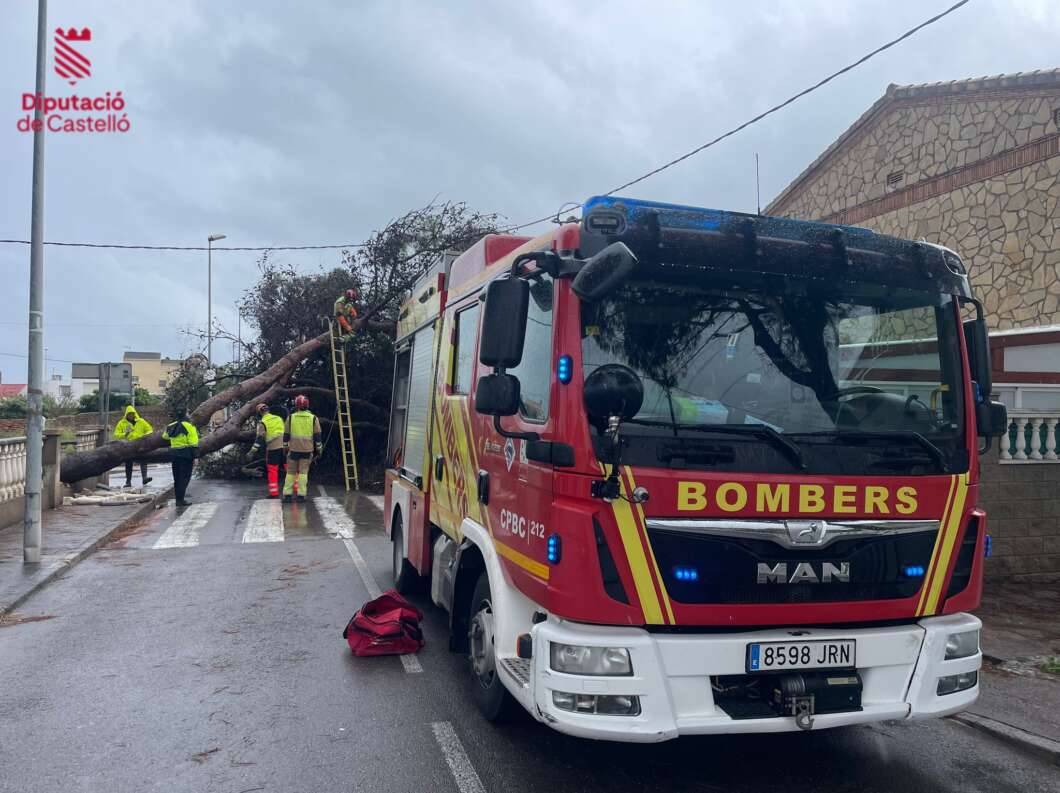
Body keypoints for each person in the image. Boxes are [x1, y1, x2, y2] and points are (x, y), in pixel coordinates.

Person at [283, 395, 321, 503]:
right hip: (307, 450)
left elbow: (286, 435)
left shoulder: (291, 418)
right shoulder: (313, 418)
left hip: (293, 450)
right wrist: (319, 449)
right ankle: (301, 495)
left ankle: (287, 495)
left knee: (290, 473)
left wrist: (285, 448)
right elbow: (318, 436)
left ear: (296, 406)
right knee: (303, 473)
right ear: (307, 405)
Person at [162, 407, 199, 507]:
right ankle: (180, 500)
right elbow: (193, 443)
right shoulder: (189, 426)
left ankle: (178, 499)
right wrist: (196, 457)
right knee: (184, 477)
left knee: (177, 477)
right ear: (185, 414)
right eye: (188, 413)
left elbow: (165, 436)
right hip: (186, 454)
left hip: (174, 454)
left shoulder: (171, 426)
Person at [249, 403, 286, 498]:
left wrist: (252, 451)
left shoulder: (263, 422)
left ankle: (274, 494)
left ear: (259, 413)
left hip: (273, 449)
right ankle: (296, 492)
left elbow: (260, 439)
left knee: (273, 471)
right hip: (285, 448)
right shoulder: (278, 418)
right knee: (290, 469)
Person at [113, 405, 153, 488]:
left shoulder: (141, 421)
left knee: (143, 459)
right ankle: (128, 482)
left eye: (132, 414)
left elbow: (150, 429)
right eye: (129, 414)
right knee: (128, 463)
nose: (131, 415)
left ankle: (144, 478)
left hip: (140, 444)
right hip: (129, 446)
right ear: (126, 415)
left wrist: (144, 436)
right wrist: (125, 434)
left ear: (135, 414)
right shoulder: (122, 423)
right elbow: (116, 435)